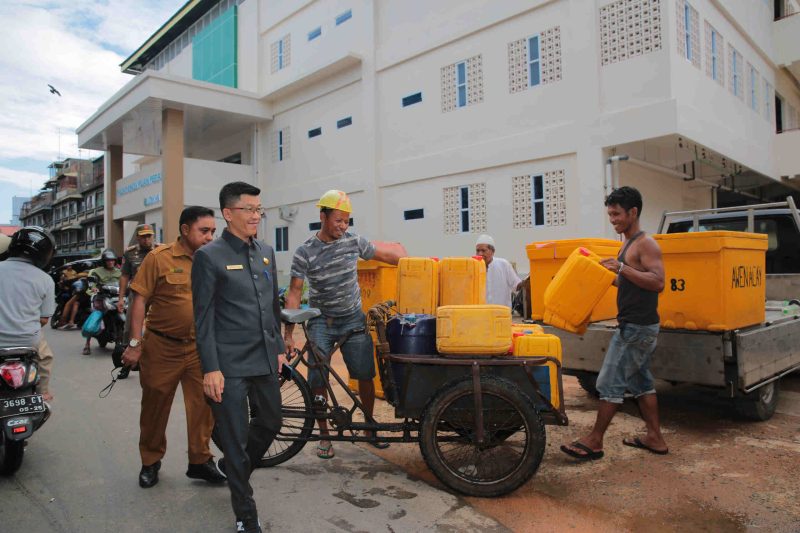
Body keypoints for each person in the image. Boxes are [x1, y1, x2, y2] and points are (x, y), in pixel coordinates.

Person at [283, 190, 406, 460]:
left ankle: (368, 427)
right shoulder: (305, 251)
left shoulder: (354, 242)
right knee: (318, 378)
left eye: (347, 221)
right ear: (323, 217)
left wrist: (417, 264)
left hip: (353, 319)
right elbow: (294, 292)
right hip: (320, 321)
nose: (343, 226)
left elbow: (388, 255)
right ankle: (324, 436)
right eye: (338, 220)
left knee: (365, 374)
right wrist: (288, 333)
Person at [192, 182, 286, 533]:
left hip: (262, 357)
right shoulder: (209, 256)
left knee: (272, 422)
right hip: (227, 365)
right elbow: (202, 319)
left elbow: (272, 304)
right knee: (235, 437)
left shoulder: (264, 251)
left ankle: (236, 468)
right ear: (228, 213)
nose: (256, 216)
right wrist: (210, 368)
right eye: (249, 209)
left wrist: (277, 348)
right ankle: (246, 516)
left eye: (259, 209)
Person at [120, 207, 225, 489]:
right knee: (155, 407)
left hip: (199, 349)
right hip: (161, 347)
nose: (210, 237)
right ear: (185, 230)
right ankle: (150, 461)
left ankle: (200, 461)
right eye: (204, 231)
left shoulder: (213, 259)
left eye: (213, 231)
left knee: (205, 406)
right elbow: (139, 299)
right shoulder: (159, 258)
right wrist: (134, 343)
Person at [561, 186, 667, 461]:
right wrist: (605, 274)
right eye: (610, 214)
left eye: (617, 214)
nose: (613, 219)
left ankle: (595, 441)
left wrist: (621, 268)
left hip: (636, 328)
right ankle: (655, 437)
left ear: (633, 212)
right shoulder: (627, 243)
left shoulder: (646, 244)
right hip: (635, 326)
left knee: (609, 383)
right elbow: (631, 280)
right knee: (642, 383)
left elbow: (658, 282)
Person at [0, 227, 56, 401]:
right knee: (45, 358)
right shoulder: (45, 279)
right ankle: (43, 392)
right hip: (28, 340)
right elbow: (44, 319)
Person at [116, 224, 158, 380]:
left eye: (149, 235)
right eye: (143, 236)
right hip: (137, 295)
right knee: (130, 330)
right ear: (138, 237)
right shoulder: (130, 253)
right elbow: (125, 276)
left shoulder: (161, 251)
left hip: (157, 295)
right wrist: (121, 298)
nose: (147, 239)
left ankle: (154, 365)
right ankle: (127, 365)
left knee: (157, 329)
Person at [78, 249, 122, 355]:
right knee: (95, 316)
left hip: (117, 298)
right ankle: (87, 344)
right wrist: (93, 288)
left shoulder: (119, 272)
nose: (110, 262)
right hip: (102, 297)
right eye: (108, 260)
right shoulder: (96, 271)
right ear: (104, 261)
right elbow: (91, 283)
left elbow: (126, 282)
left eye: (112, 260)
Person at [475, 234, 522, 308]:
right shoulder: (473, 268)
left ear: (493, 251)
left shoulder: (504, 265)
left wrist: (528, 282)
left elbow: (516, 285)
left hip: (502, 315)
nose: (480, 254)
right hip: (481, 315)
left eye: (483, 251)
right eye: (478, 251)